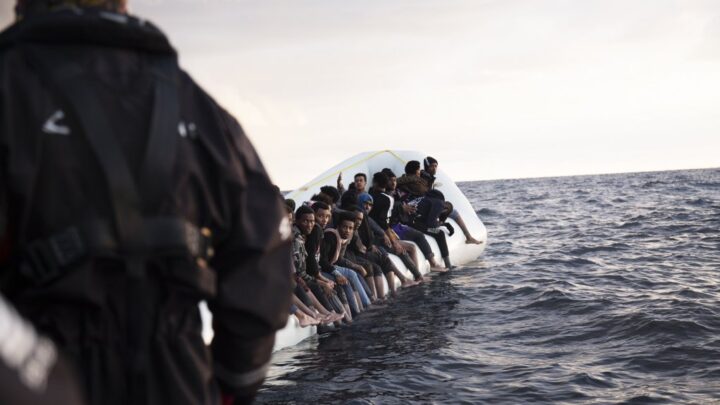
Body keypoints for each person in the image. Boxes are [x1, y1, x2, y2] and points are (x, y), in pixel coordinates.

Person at [0, 2, 293, 404]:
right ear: (122, 6)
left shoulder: (9, 85)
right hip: (181, 375)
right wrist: (229, 385)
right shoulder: (198, 106)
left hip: (43, 375)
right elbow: (264, 254)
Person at [421, 156, 483, 245]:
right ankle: (469, 237)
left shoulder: (428, 177)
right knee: (454, 213)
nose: (434, 168)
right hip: (428, 209)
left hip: (431, 206)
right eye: (432, 166)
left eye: (436, 166)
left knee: (452, 211)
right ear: (427, 166)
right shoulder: (425, 178)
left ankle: (469, 237)